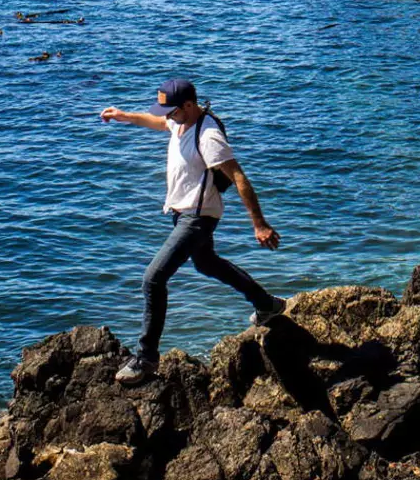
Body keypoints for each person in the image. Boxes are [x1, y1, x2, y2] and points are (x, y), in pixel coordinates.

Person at [100, 77, 283, 384]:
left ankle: (146, 358)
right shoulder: (180, 120)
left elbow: (238, 177)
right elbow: (158, 123)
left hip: (198, 218)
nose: (166, 115)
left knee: (153, 279)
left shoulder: (208, 135)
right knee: (207, 263)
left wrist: (259, 223)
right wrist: (124, 116)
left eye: (171, 110)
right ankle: (267, 304)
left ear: (188, 105)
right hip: (182, 212)